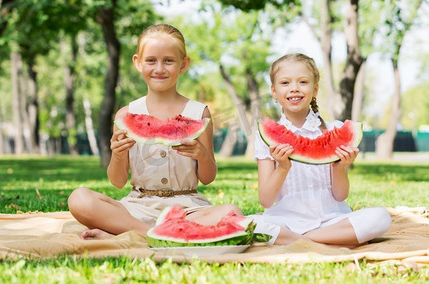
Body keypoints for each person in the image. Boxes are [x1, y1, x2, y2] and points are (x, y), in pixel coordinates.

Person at [68, 24, 242, 239]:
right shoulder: (125, 116)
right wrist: (118, 154)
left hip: (187, 208)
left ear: (183, 64)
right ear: (138, 63)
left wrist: (202, 155)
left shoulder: (199, 113)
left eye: (168, 61)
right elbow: (117, 181)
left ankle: (131, 234)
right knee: (79, 199)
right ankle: (154, 234)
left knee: (231, 212)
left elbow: (208, 178)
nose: (159, 69)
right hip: (137, 207)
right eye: (151, 60)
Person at [251, 53, 391, 247]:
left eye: (303, 82)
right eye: (285, 83)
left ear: (314, 89)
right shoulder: (264, 136)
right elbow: (266, 201)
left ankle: (304, 241)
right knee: (250, 224)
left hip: (332, 218)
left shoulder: (334, 129)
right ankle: (334, 240)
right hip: (286, 220)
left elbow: (341, 195)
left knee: (381, 217)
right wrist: (282, 167)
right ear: (274, 92)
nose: (294, 88)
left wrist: (340, 166)